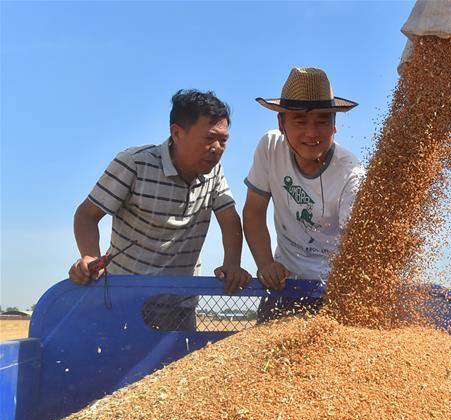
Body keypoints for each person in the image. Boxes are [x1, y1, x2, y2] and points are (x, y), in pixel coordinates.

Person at [68, 90, 251, 329]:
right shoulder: (135, 163)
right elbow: (87, 215)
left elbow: (229, 220)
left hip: (180, 304)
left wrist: (232, 263)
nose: (217, 148)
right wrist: (90, 256)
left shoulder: (214, 172)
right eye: (209, 138)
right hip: (125, 300)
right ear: (176, 133)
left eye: (224, 140)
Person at [243, 67, 364, 321]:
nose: (312, 133)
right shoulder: (270, 147)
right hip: (283, 288)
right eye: (300, 120)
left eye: (322, 120)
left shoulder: (351, 175)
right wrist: (266, 264)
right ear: (281, 123)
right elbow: (254, 211)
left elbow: (358, 247)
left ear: (334, 125)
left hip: (333, 293)